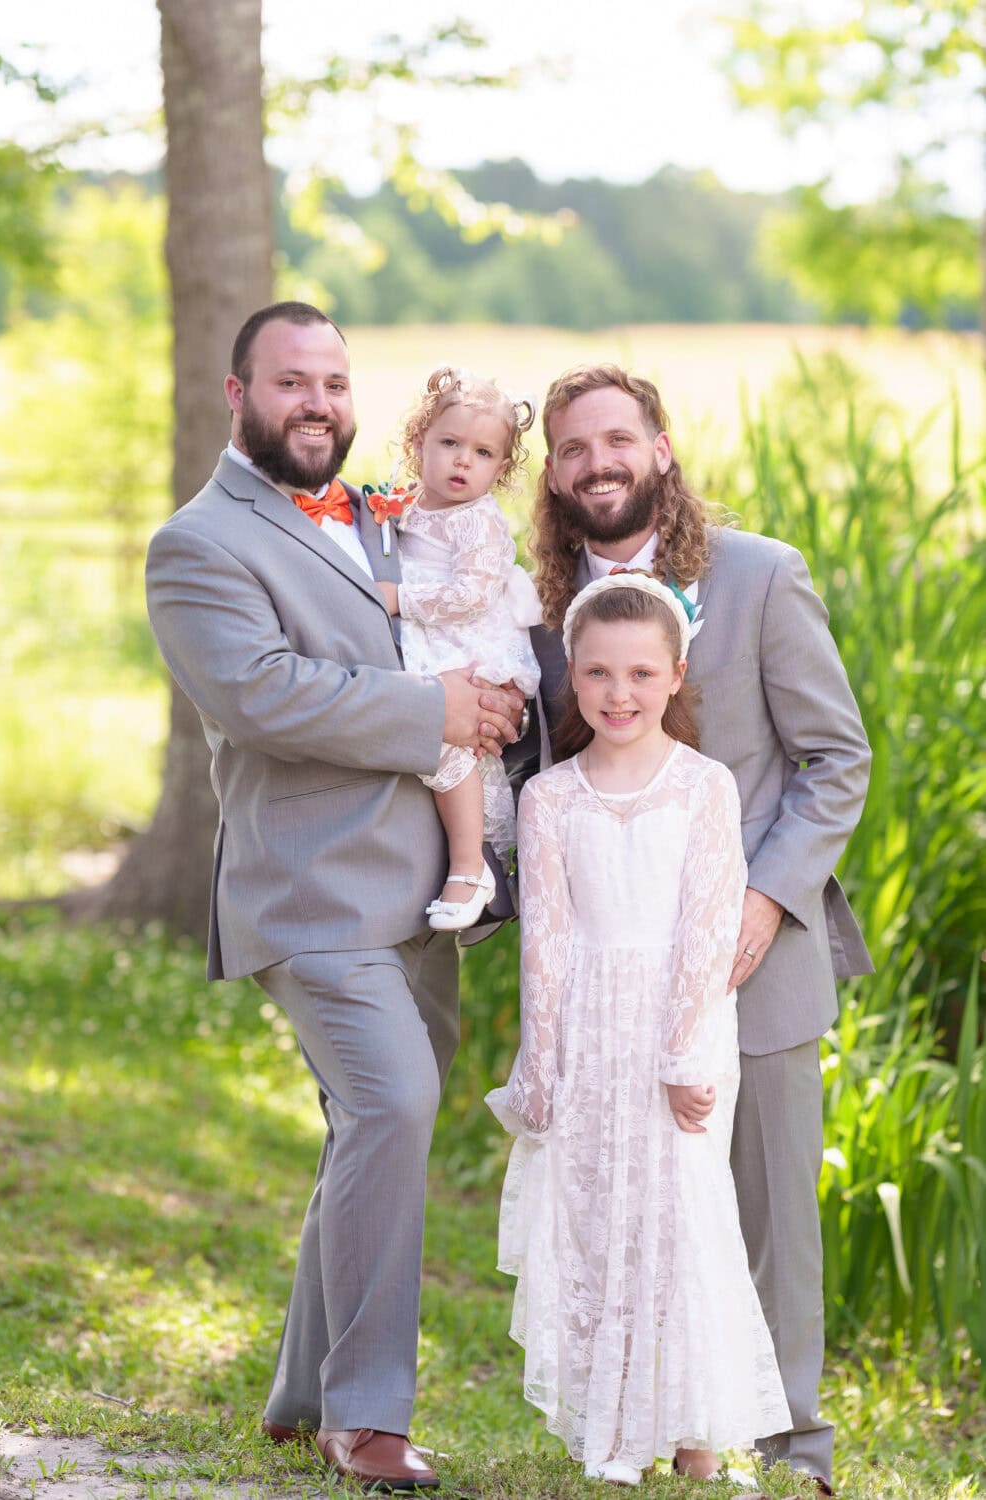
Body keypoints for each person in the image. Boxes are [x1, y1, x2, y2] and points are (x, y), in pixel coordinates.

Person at [144, 301, 521, 1494]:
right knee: (395, 1102)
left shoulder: (379, 517)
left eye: (336, 384)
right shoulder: (199, 543)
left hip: (421, 897)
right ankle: (364, 1416)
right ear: (237, 392)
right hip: (308, 899)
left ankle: (301, 1389)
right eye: (293, 381)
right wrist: (441, 714)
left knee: (372, 1125)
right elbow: (261, 694)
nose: (318, 403)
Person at [528, 365, 873, 1494]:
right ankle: (663, 1423)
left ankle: (797, 1447)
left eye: (617, 440)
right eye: (573, 448)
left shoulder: (762, 576)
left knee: (770, 1208)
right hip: (614, 977)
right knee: (640, 1204)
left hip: (753, 958)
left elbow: (835, 761)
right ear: (554, 472)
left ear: (660, 449)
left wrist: (765, 899)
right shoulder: (540, 614)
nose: (598, 464)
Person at [488, 574, 791, 1484]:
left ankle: (697, 1432)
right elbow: (545, 942)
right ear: (572, 681)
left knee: (681, 1218)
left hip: (679, 1027)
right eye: (597, 675)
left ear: (675, 674)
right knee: (595, 1212)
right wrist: (539, 1065)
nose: (618, 695)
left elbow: (705, 929)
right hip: (586, 1032)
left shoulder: (703, 787)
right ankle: (613, 1428)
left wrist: (682, 1053)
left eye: (639, 674)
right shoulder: (550, 799)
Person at [374, 366, 541, 932]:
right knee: (423, 738)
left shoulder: (478, 521)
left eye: (483, 452)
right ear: (419, 442)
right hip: (429, 638)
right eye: (449, 444)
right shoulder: (406, 501)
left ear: (501, 467)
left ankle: (471, 867)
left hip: (467, 642)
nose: (462, 461)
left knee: (452, 743)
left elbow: (472, 593)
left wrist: (402, 599)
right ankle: (448, 859)